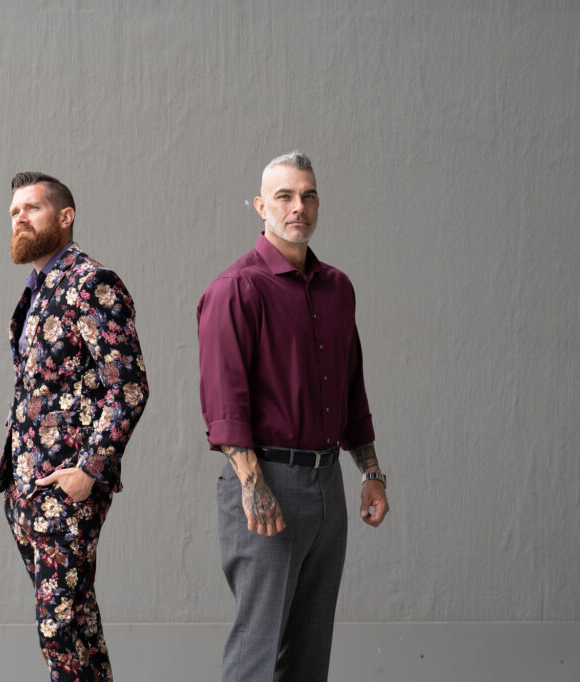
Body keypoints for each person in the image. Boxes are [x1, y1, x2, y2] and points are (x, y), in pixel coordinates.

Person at [197, 152, 390, 682]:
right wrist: (253, 486)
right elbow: (224, 401)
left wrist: (370, 472)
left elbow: (350, 386)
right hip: (267, 481)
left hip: (328, 485)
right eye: (284, 196)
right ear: (261, 207)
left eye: (308, 195)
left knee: (309, 653)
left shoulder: (338, 288)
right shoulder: (236, 288)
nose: (297, 206)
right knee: (257, 652)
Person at [0, 172, 149, 681]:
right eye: (14, 211)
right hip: (27, 488)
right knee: (77, 623)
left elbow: (128, 387)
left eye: (31, 208)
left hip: (67, 488)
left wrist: (89, 471)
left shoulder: (91, 282)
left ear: (65, 216)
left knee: (58, 630)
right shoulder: (36, 289)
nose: (19, 218)